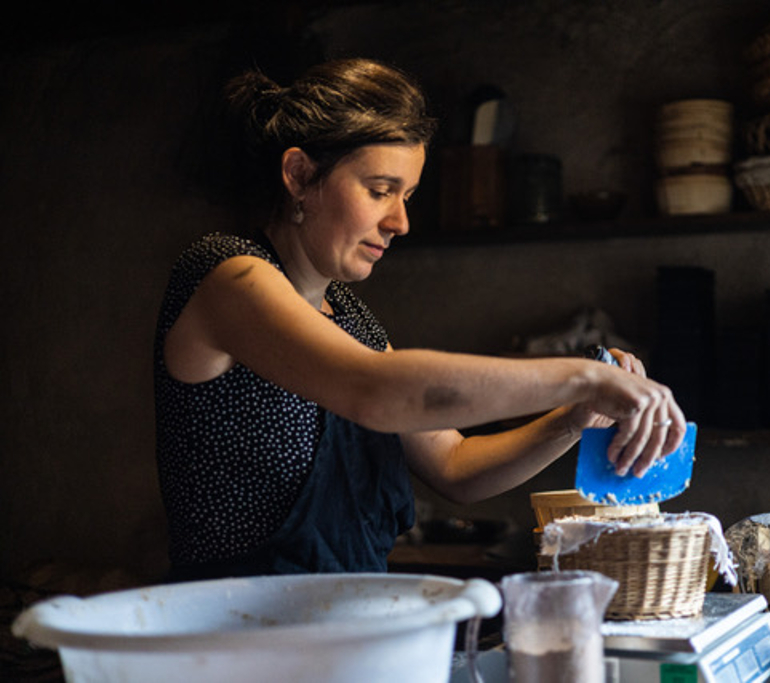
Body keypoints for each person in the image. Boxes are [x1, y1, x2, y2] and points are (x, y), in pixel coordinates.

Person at [154, 57, 686, 581]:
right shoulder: (227, 276)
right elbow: (379, 391)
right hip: (236, 637)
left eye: (406, 196)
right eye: (380, 190)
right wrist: (585, 375)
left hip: (343, 629)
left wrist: (572, 416)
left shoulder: (352, 319)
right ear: (299, 176)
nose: (400, 222)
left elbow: (454, 464)